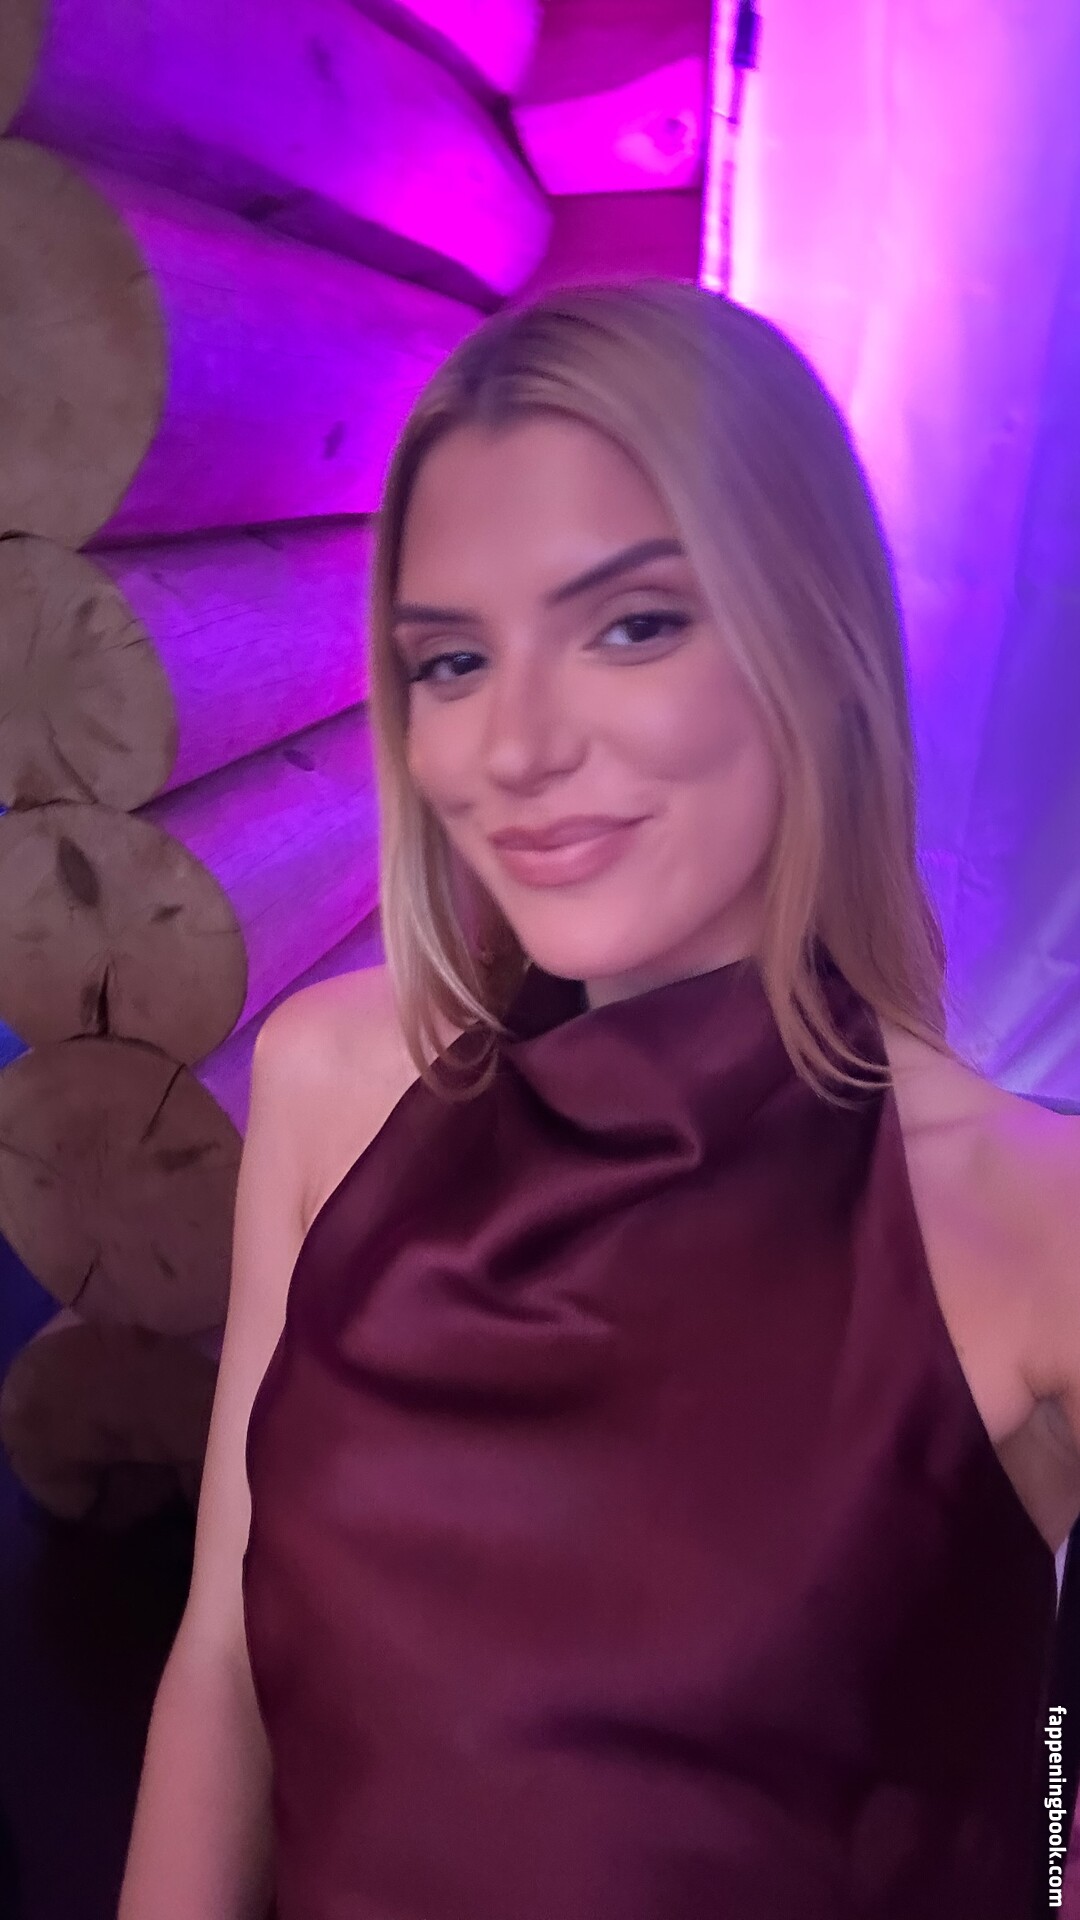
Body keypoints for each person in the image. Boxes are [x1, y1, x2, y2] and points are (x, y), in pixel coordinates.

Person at [117, 277, 1080, 1920]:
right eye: (451, 661)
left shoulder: (1031, 1217)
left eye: (634, 625)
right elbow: (223, 1662)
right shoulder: (332, 1082)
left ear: (820, 645)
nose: (517, 748)